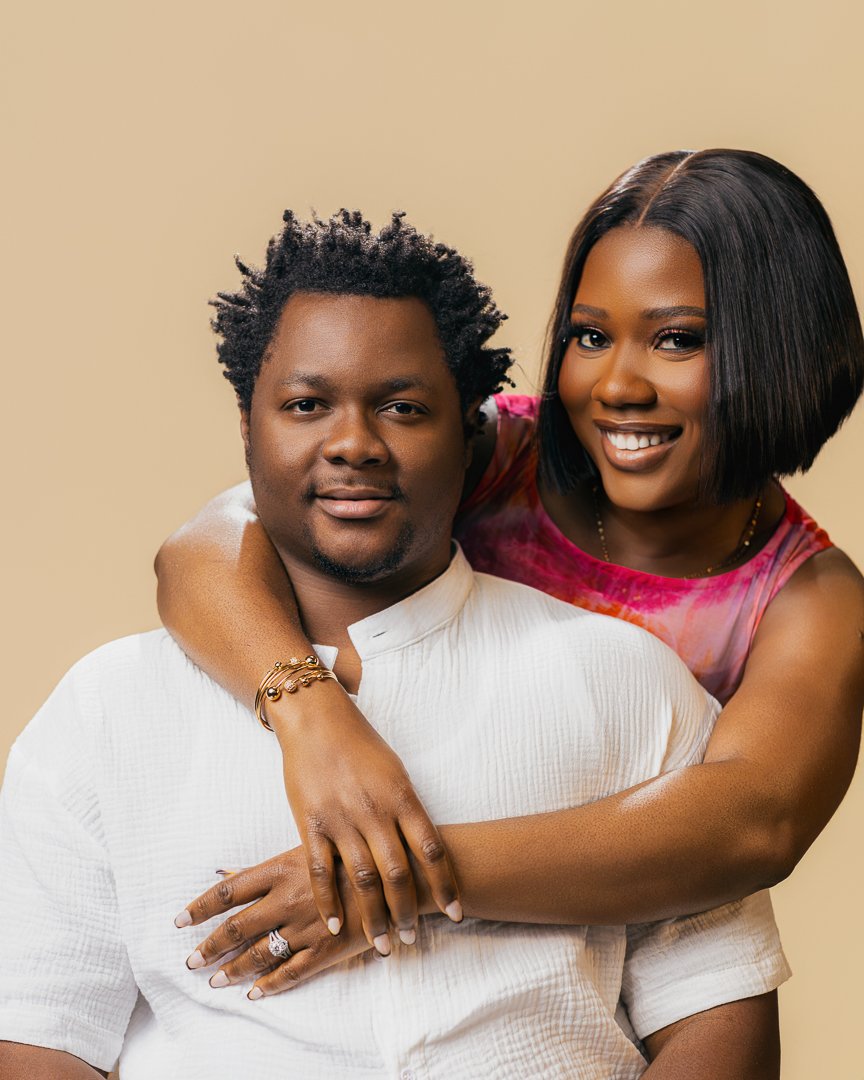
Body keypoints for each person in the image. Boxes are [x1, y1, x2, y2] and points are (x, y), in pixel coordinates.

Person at [0, 212, 787, 1079]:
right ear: (247, 427)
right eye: (306, 405)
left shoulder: (625, 681)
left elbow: (718, 1016)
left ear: (470, 433)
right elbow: (40, 1037)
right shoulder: (106, 710)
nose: (353, 445)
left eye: (404, 409)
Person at [154, 149, 864, 964]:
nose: (616, 386)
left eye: (676, 340)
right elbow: (201, 550)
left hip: (600, 963)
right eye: (590, 335)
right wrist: (316, 722)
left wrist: (392, 874)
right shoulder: (495, 451)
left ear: (782, 349)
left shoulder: (809, 599)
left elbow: (753, 824)